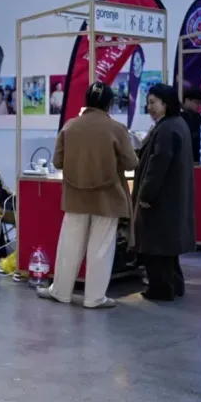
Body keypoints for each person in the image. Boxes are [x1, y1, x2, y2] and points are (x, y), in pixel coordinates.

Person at [38, 82, 138, 308]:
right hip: (107, 198)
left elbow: (57, 162)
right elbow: (132, 162)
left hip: (75, 197)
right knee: (101, 249)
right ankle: (94, 298)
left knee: (69, 246)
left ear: (86, 101)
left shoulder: (70, 126)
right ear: (109, 104)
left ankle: (61, 292)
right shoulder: (117, 129)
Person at [131, 84, 194, 301]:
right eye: (148, 103)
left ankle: (161, 290)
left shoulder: (166, 129)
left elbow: (158, 165)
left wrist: (146, 195)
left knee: (155, 247)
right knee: (168, 249)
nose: (149, 107)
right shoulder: (177, 124)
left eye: (153, 103)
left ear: (165, 104)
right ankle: (175, 286)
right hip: (171, 197)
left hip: (160, 199)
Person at [179, 86, 201, 164]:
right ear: (187, 100)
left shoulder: (198, 117)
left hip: (196, 159)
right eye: (197, 102)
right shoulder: (177, 117)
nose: (199, 106)